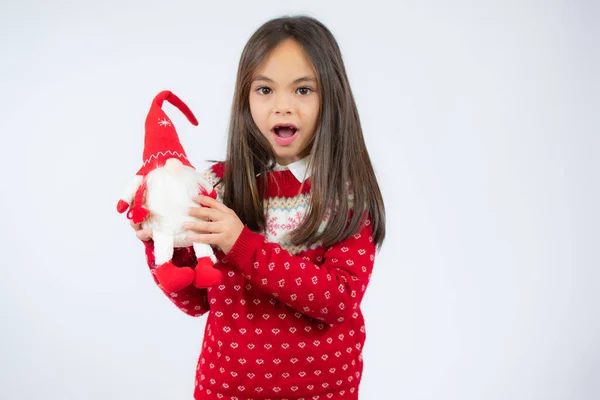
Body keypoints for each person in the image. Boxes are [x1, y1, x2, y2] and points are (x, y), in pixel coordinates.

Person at [131, 15, 386, 400]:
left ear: (331, 96)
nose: (282, 107)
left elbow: (339, 299)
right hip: (226, 388)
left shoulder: (345, 194)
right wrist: (161, 241)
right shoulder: (217, 186)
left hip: (322, 390)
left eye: (303, 90)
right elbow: (196, 300)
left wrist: (242, 244)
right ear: (245, 98)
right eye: (265, 90)